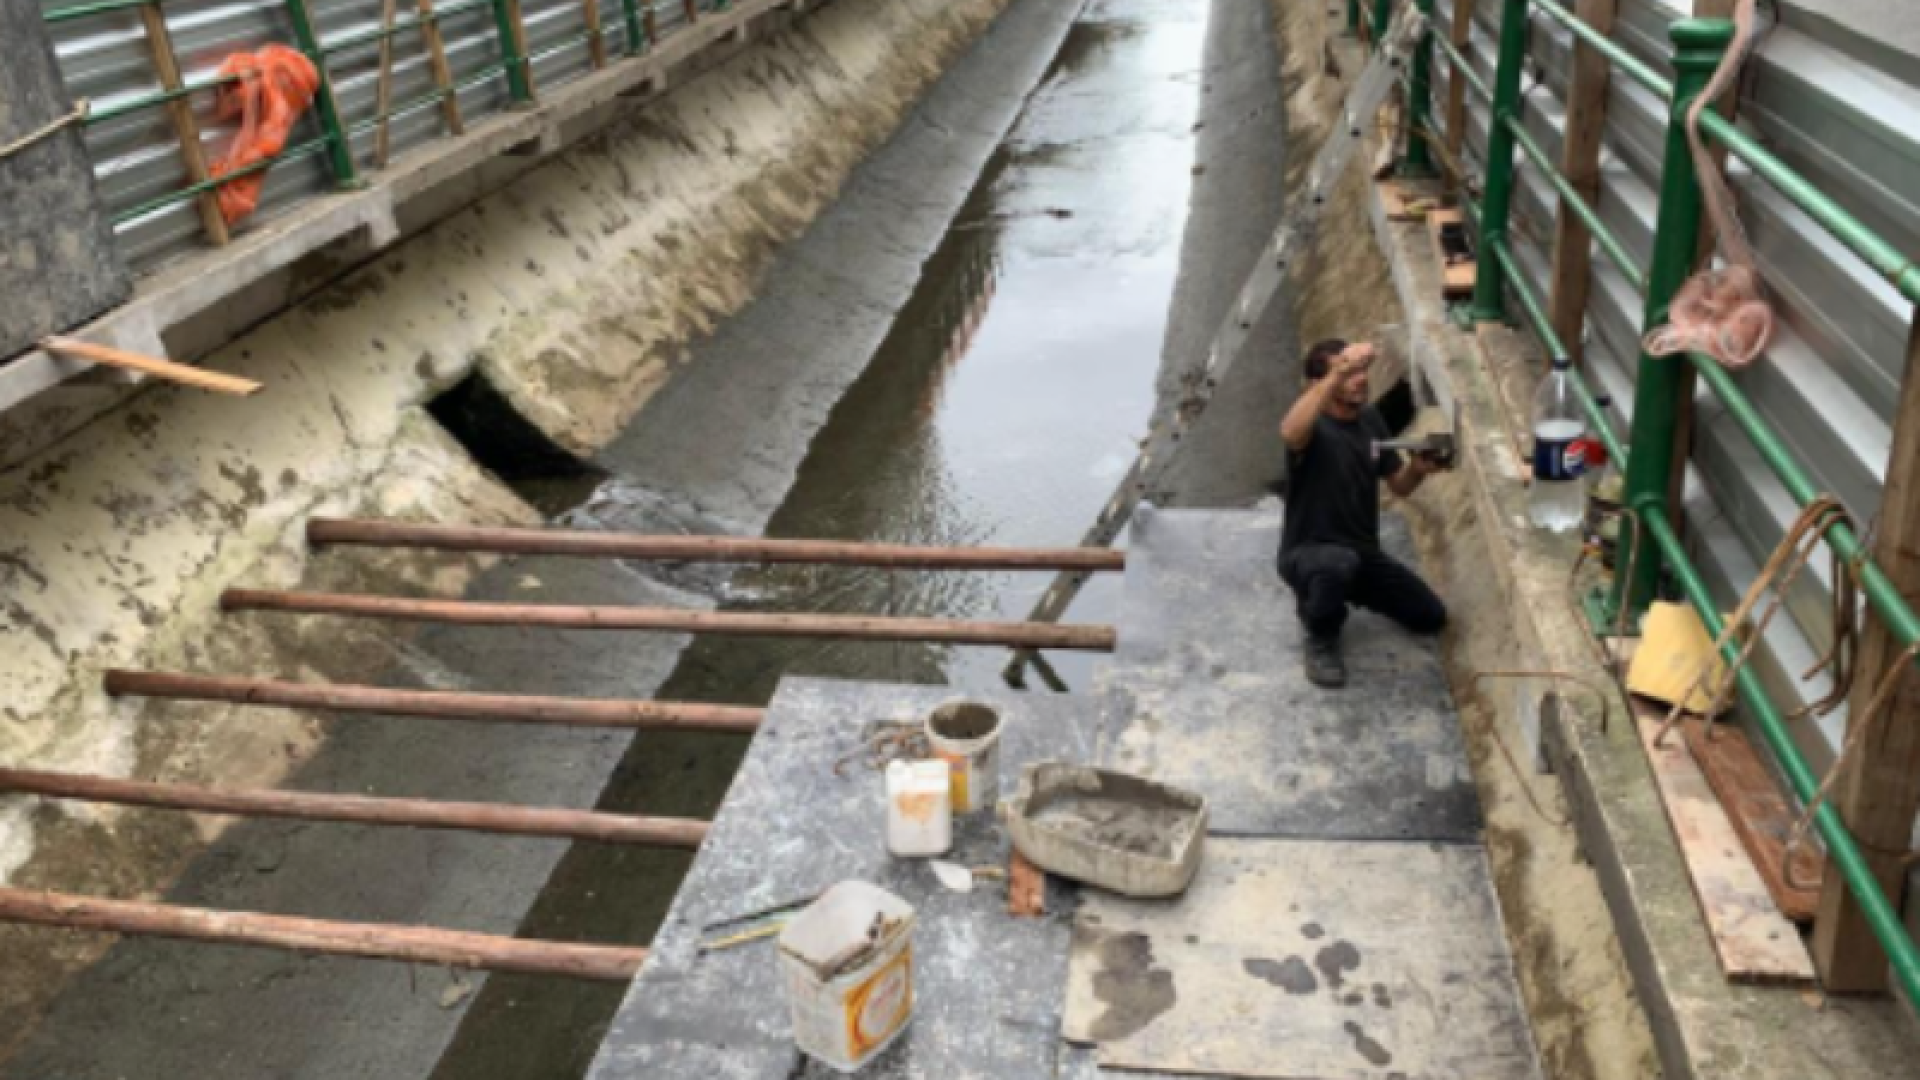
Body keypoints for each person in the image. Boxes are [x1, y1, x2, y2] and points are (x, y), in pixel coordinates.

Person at [1277, 338, 1447, 688]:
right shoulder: (1312, 428)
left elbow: (1399, 486)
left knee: (1429, 616)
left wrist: (1417, 470)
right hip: (1308, 552)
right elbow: (1290, 432)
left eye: (1362, 371)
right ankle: (1320, 634)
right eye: (1349, 374)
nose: (1361, 379)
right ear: (1321, 383)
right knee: (1336, 565)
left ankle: (1342, 589)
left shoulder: (1370, 419)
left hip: (1361, 553)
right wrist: (1338, 372)